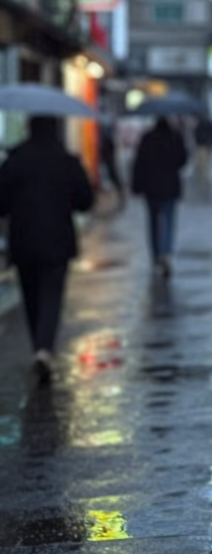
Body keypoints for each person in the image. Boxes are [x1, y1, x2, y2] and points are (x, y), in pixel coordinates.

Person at [0, 116, 94, 378]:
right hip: (57, 239)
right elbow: (85, 200)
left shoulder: (15, 160)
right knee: (52, 295)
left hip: (23, 239)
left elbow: (1, 203)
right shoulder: (66, 160)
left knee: (31, 296)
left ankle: (38, 348)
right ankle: (44, 349)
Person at [131, 117, 187, 277]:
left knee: (153, 222)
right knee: (168, 220)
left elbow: (139, 163)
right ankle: (166, 252)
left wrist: (136, 186)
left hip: (151, 188)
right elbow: (183, 159)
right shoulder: (176, 137)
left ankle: (155, 254)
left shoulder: (147, 138)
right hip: (170, 187)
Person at [193, 116, 212, 186]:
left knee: (202, 160)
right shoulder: (209, 125)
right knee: (205, 159)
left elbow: (196, 134)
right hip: (206, 144)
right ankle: (203, 173)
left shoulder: (199, 125)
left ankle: (202, 173)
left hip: (202, 144)